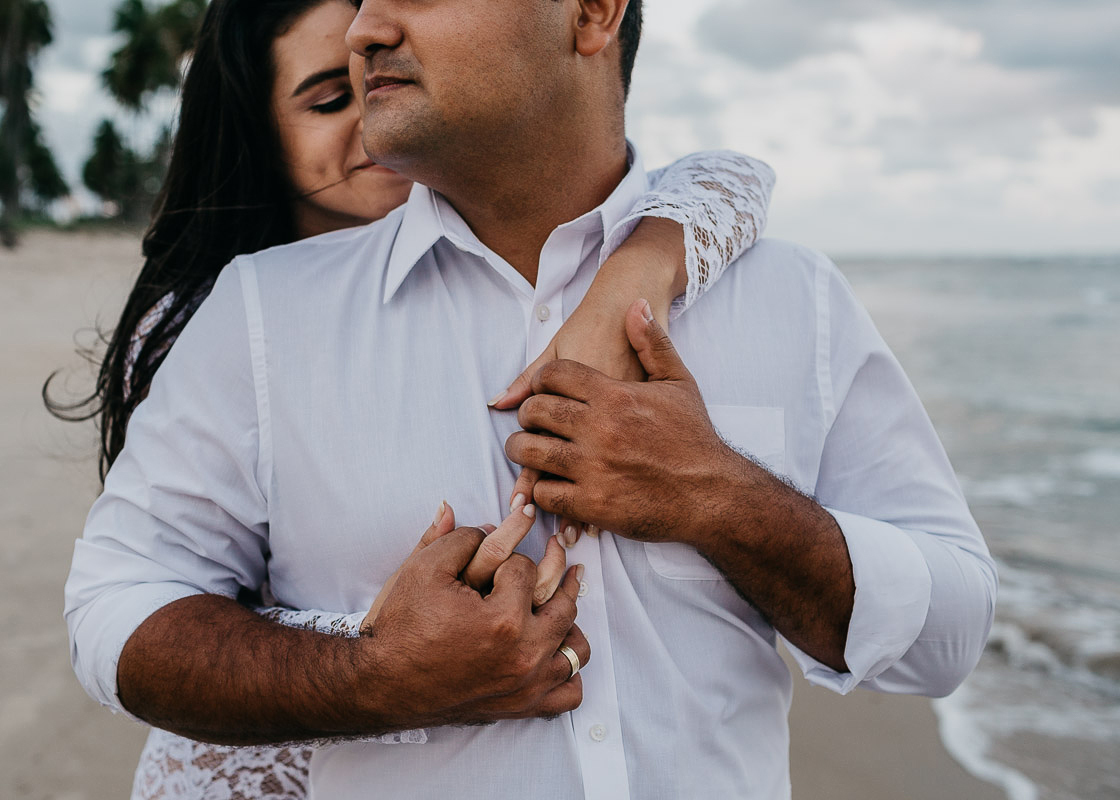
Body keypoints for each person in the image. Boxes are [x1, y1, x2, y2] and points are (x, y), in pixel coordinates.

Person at [65, 0, 996, 798]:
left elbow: (948, 633)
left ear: (593, 10)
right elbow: (119, 604)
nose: (364, 27)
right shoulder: (258, 314)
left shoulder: (790, 295)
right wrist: (379, 675)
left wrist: (720, 496)